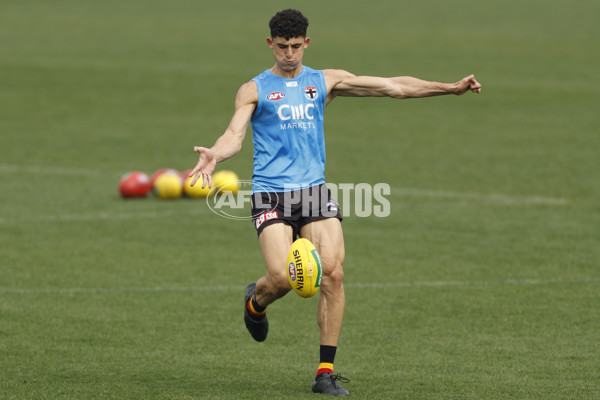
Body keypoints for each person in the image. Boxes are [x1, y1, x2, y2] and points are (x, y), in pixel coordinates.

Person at [189, 9, 481, 396]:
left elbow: (394, 86)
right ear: (270, 44)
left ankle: (324, 372)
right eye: (281, 47)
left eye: (296, 47)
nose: (289, 54)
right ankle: (255, 301)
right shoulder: (254, 89)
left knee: (333, 273)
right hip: (271, 193)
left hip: (313, 191)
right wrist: (216, 154)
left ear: (306, 43)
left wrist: (449, 87)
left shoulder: (325, 81)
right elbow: (234, 134)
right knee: (283, 279)